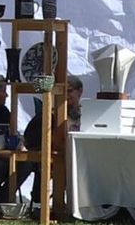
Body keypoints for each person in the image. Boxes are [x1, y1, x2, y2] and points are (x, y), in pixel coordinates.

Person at [19, 74, 83, 203]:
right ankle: (41, 201)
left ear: (80, 91)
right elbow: (29, 139)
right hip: (54, 159)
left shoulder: (89, 113)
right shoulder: (47, 117)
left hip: (80, 158)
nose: (65, 95)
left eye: (69, 91)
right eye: (62, 92)